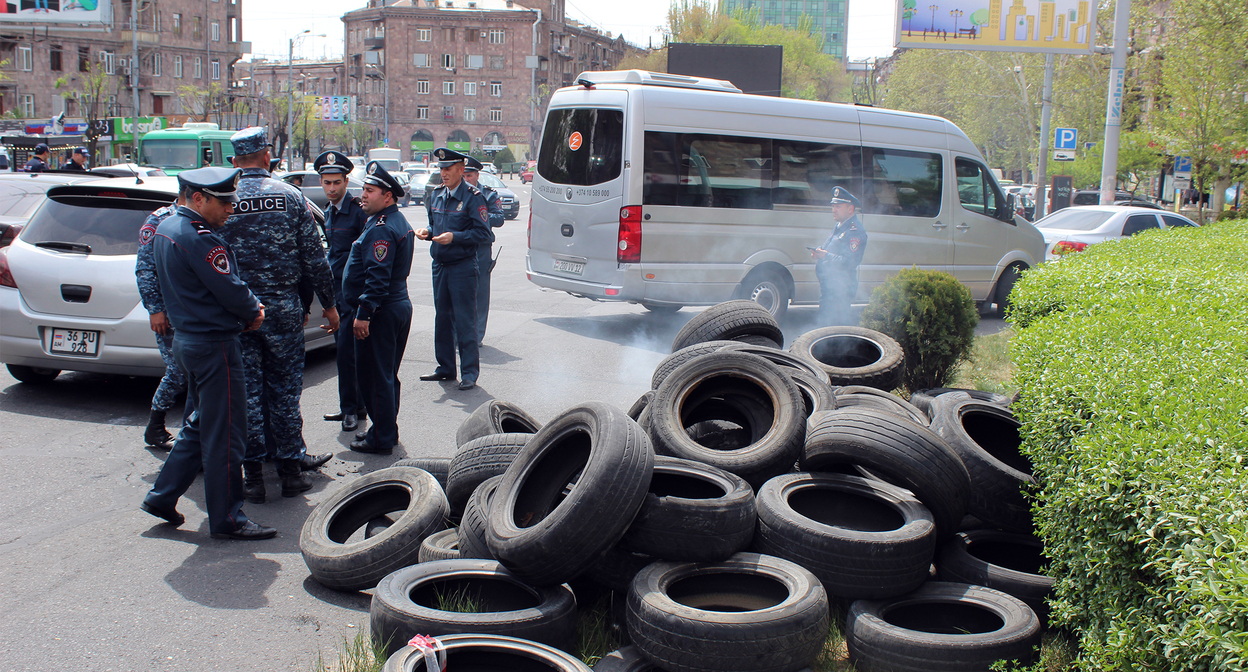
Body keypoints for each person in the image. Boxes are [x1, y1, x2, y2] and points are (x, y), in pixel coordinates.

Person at [139, 166, 277, 540]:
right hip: (214, 345)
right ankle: (228, 518)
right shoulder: (199, 238)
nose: (231, 208)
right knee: (227, 435)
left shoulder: (167, 227)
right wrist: (254, 311)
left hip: (189, 341)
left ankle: (162, 495)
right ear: (198, 198)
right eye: (224, 202)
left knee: (200, 425)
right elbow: (229, 288)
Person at [218, 127, 338, 504]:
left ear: (235, 161)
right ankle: (289, 473)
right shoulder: (290, 197)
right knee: (285, 392)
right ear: (268, 156)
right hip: (283, 310)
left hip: (238, 311)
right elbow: (315, 260)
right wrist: (329, 304)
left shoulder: (224, 199)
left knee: (247, 395)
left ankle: (253, 477)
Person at [341, 161, 415, 455]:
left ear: (388, 196)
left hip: (381, 311)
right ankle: (385, 430)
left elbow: (377, 277)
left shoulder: (382, 229)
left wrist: (364, 314)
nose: (363, 195)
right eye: (363, 190)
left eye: (369, 191)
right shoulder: (390, 222)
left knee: (374, 377)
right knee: (386, 375)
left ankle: (382, 437)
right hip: (394, 306)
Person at [417, 148, 490, 390]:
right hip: (440, 264)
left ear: (461, 169)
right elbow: (433, 223)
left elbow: (484, 233)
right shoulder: (437, 194)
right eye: (441, 169)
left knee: (464, 319)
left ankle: (469, 372)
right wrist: (428, 232)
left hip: (462, 266)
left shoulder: (473, 196)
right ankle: (446, 367)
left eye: (448, 169)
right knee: (442, 318)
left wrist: (455, 237)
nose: (443, 173)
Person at [314, 150, 369, 432]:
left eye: (336, 182)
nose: (332, 188)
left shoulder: (358, 210)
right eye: (327, 183)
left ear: (346, 181)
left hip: (354, 293)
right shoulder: (328, 210)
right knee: (344, 351)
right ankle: (355, 405)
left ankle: (350, 409)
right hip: (336, 290)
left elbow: (366, 254)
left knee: (348, 352)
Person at [136, 196, 189, 450]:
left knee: (192, 371)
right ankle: (155, 426)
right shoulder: (160, 220)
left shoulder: (200, 219)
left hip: (190, 310)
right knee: (178, 370)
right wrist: (155, 309)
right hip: (168, 312)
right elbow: (145, 268)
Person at [812, 186, 868, 327]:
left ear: (850, 209)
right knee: (825, 326)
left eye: (838, 206)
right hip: (830, 287)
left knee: (834, 328)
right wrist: (819, 252)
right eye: (833, 206)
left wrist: (826, 256)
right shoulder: (840, 225)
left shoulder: (854, 231)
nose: (834, 210)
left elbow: (850, 262)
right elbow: (830, 247)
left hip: (841, 289)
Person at [462, 157, 504, 346]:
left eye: (469, 175)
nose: (466, 179)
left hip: (481, 249)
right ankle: (458, 334)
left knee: (479, 294)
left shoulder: (488, 194)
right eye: (463, 175)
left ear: (477, 175)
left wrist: (479, 217)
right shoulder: (455, 193)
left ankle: (476, 336)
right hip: (460, 247)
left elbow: (499, 218)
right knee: (459, 293)